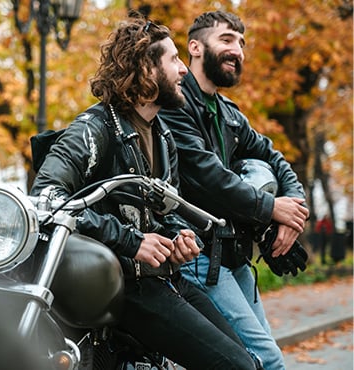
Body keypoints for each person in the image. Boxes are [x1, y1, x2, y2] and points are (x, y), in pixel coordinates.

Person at [31, 14, 256, 370]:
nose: (184, 70)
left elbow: (162, 213)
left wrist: (175, 239)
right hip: (123, 286)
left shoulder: (164, 135)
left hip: (164, 279)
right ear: (146, 69)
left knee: (249, 363)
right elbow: (47, 198)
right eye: (173, 60)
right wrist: (131, 242)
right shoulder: (93, 129)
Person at [160, 10, 310, 370]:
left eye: (242, 43)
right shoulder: (176, 106)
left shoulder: (228, 112)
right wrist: (272, 208)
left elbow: (274, 158)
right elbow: (208, 177)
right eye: (227, 39)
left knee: (257, 357)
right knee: (265, 360)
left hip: (232, 253)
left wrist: (294, 210)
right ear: (195, 47)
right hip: (197, 253)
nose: (238, 50)